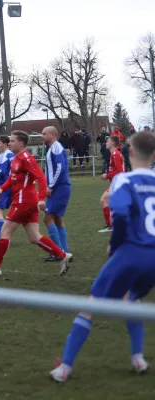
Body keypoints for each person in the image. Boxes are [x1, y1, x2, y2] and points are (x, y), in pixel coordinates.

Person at [49, 131, 155, 382]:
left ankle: (65, 366)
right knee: (132, 299)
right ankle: (138, 358)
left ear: (129, 153)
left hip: (131, 252)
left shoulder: (123, 182)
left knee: (90, 306)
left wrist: (113, 244)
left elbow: (121, 216)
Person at [0, 131, 73, 279]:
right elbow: (12, 178)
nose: (9, 143)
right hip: (26, 201)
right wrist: (3, 188)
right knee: (34, 237)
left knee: (5, 233)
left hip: (23, 201)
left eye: (12, 141)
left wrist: (42, 198)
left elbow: (41, 178)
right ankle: (63, 255)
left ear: (21, 143)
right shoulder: (16, 158)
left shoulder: (27, 158)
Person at [42, 126, 72, 262]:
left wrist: (51, 186)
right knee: (58, 219)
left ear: (52, 135)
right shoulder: (54, 147)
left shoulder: (55, 147)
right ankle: (64, 251)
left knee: (47, 218)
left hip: (59, 188)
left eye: (44, 134)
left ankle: (59, 252)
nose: (42, 136)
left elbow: (60, 167)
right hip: (61, 187)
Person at [98, 135, 125, 233]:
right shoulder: (114, 154)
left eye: (108, 141)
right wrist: (108, 176)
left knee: (103, 200)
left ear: (113, 143)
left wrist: (107, 175)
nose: (106, 143)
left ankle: (111, 225)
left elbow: (119, 171)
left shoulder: (115, 154)